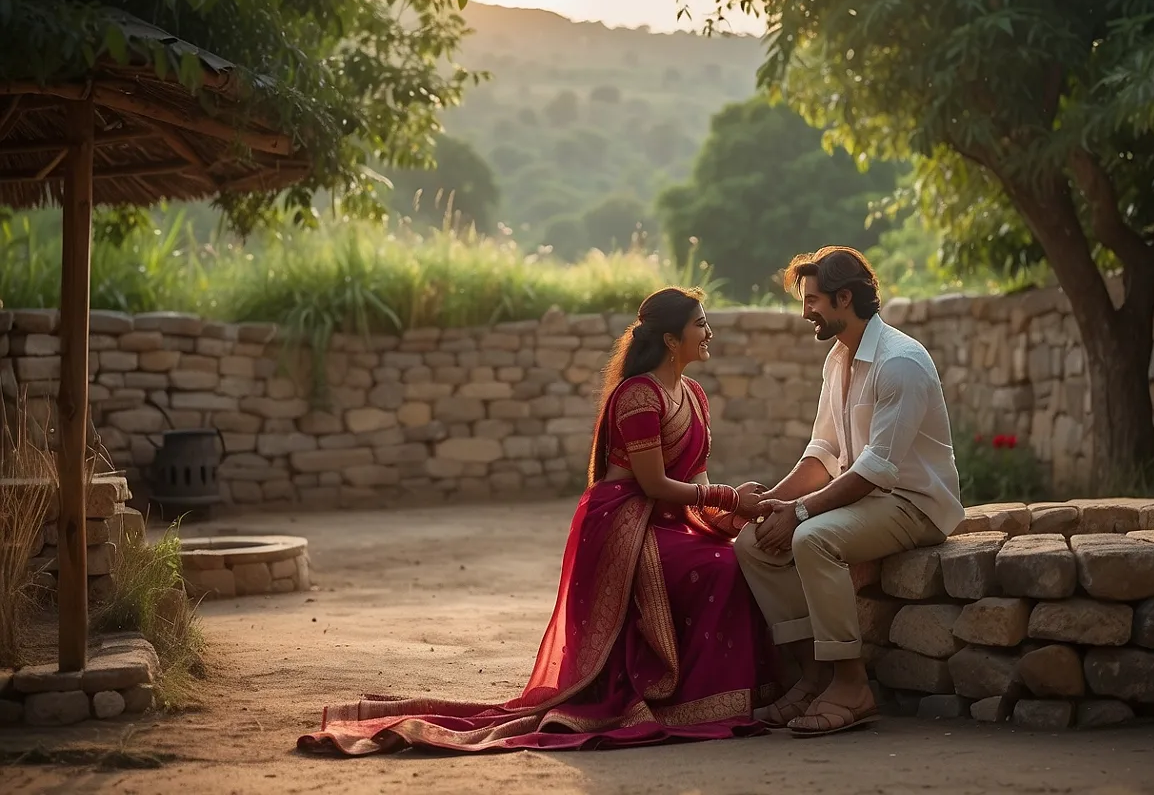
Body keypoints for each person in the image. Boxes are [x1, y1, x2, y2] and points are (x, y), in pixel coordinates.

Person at [299, 287, 777, 755]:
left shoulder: (693, 394)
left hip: (668, 521)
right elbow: (652, 484)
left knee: (730, 555)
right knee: (719, 569)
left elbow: (697, 479)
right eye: (701, 325)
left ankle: (716, 694)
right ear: (673, 341)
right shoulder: (638, 396)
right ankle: (694, 702)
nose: (709, 332)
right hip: (625, 524)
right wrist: (730, 497)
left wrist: (733, 513)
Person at [735, 246, 964, 738]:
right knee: (753, 542)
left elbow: (877, 470)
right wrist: (771, 503)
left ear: (844, 298)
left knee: (811, 538)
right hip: (870, 498)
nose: (805, 312)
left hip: (914, 504)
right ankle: (812, 674)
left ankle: (851, 683)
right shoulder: (838, 358)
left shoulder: (900, 362)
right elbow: (823, 451)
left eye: (813, 300)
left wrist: (797, 513)